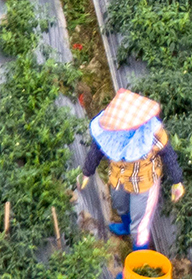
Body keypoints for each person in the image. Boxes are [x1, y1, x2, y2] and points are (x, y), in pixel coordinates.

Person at [79, 89, 184, 250]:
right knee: (119, 203)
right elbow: (97, 149)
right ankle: (126, 227)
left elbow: (168, 154)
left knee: (140, 226)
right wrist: (87, 172)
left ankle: (136, 264)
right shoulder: (110, 128)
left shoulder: (152, 133)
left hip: (144, 183)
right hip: (120, 177)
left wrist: (177, 181)